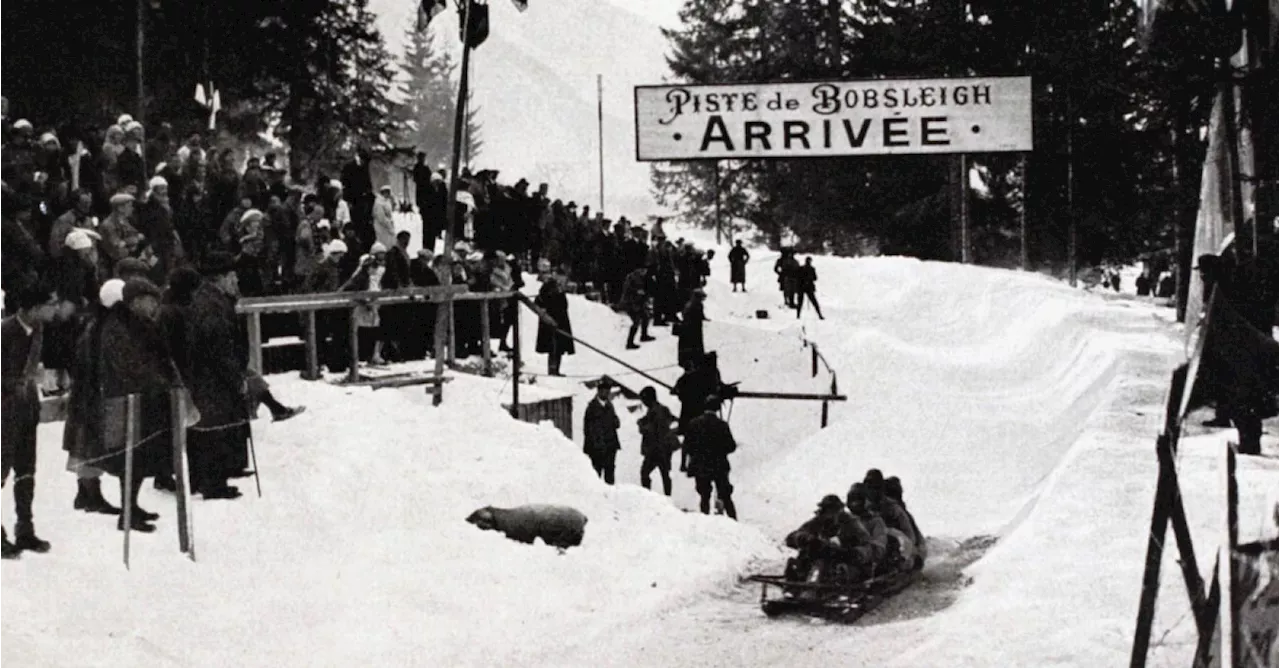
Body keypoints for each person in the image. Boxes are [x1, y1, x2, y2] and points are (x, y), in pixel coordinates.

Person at [0, 283, 61, 557]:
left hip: (26, 409)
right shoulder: (5, 332)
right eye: (51, 303)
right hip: (4, 411)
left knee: (26, 470)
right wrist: (17, 382)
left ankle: (25, 529)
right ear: (34, 308)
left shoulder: (39, 329)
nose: (56, 308)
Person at [784, 495, 875, 582]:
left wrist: (852, 552)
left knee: (843, 570)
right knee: (799, 563)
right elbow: (791, 537)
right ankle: (795, 589)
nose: (829, 515)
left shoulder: (851, 523)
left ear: (840, 511)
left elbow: (867, 547)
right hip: (822, 563)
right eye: (827, 511)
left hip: (846, 561)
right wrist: (803, 538)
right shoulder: (818, 521)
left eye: (833, 511)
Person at [682, 394, 738, 519]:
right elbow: (731, 446)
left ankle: (706, 522)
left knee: (704, 496)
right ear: (717, 409)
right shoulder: (722, 425)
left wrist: (685, 464)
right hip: (719, 466)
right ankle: (734, 521)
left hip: (700, 466)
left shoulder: (693, 423)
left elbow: (687, 446)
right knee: (726, 496)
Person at [637, 386, 679, 496]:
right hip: (664, 448)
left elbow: (652, 429)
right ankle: (667, 497)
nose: (643, 402)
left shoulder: (655, 411)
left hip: (657, 449)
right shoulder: (661, 409)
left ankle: (649, 497)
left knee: (645, 473)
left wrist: (641, 425)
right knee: (665, 474)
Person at [583, 378, 621, 484]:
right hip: (597, 448)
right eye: (604, 390)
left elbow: (616, 423)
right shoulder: (592, 407)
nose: (607, 392)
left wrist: (615, 421)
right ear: (599, 391)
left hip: (610, 446)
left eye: (608, 390)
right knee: (596, 477)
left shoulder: (609, 405)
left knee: (610, 476)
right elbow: (588, 430)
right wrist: (596, 445)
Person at [534, 276, 573, 377]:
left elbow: (564, 306)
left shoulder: (559, 294)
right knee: (553, 348)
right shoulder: (546, 294)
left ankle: (555, 370)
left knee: (558, 348)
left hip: (561, 322)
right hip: (551, 324)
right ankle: (552, 370)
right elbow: (539, 304)